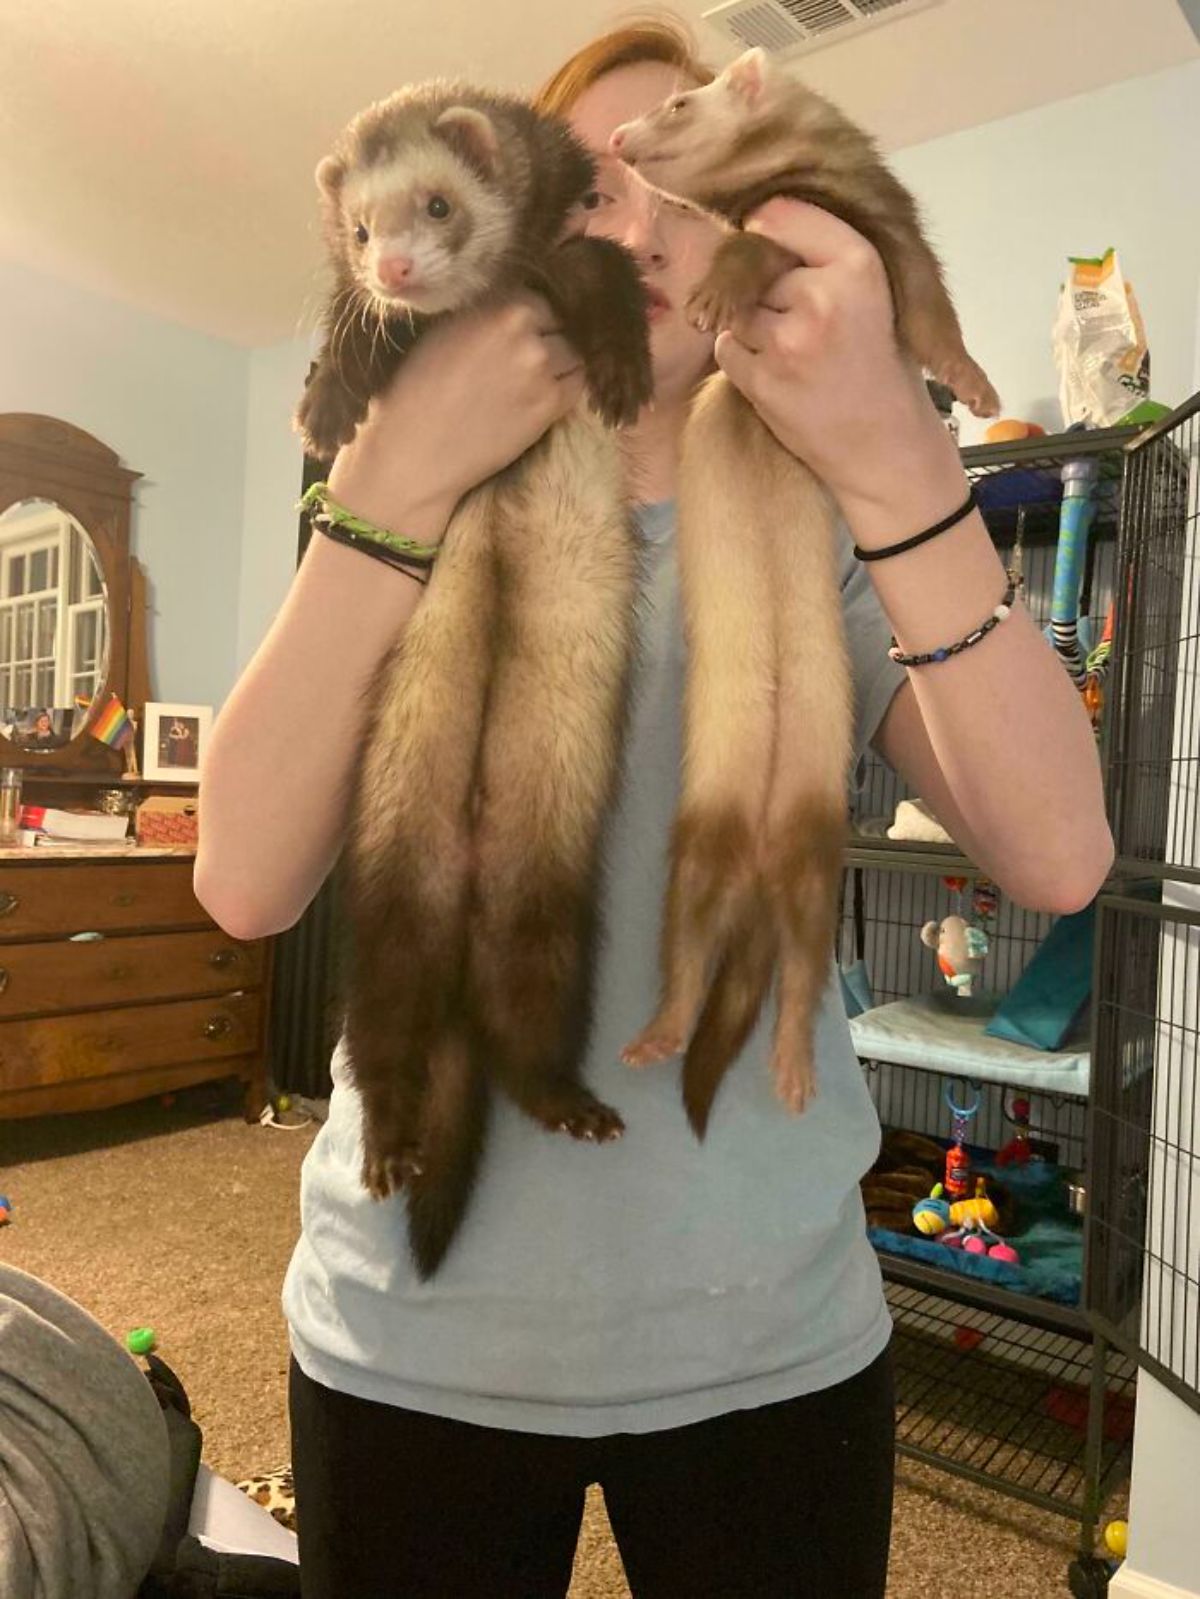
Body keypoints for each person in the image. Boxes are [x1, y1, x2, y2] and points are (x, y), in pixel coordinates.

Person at [195, 17, 1114, 1597]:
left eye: (678, 184)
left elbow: (1058, 853)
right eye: (589, 188)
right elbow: (245, 884)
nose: (633, 217)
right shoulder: (393, 486)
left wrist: (898, 457)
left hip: (771, 1337)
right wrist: (399, 479)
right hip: (416, 1329)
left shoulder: (829, 511)